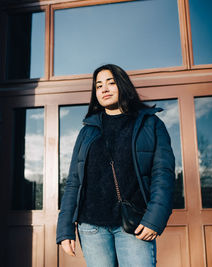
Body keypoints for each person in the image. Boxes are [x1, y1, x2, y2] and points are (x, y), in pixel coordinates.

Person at [56, 64, 175, 267]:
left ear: (123, 85)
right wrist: (65, 228)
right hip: (91, 226)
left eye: (111, 83)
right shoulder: (87, 131)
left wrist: (155, 218)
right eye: (98, 85)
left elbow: (163, 174)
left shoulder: (150, 124)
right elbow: (73, 182)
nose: (104, 89)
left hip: (134, 225)